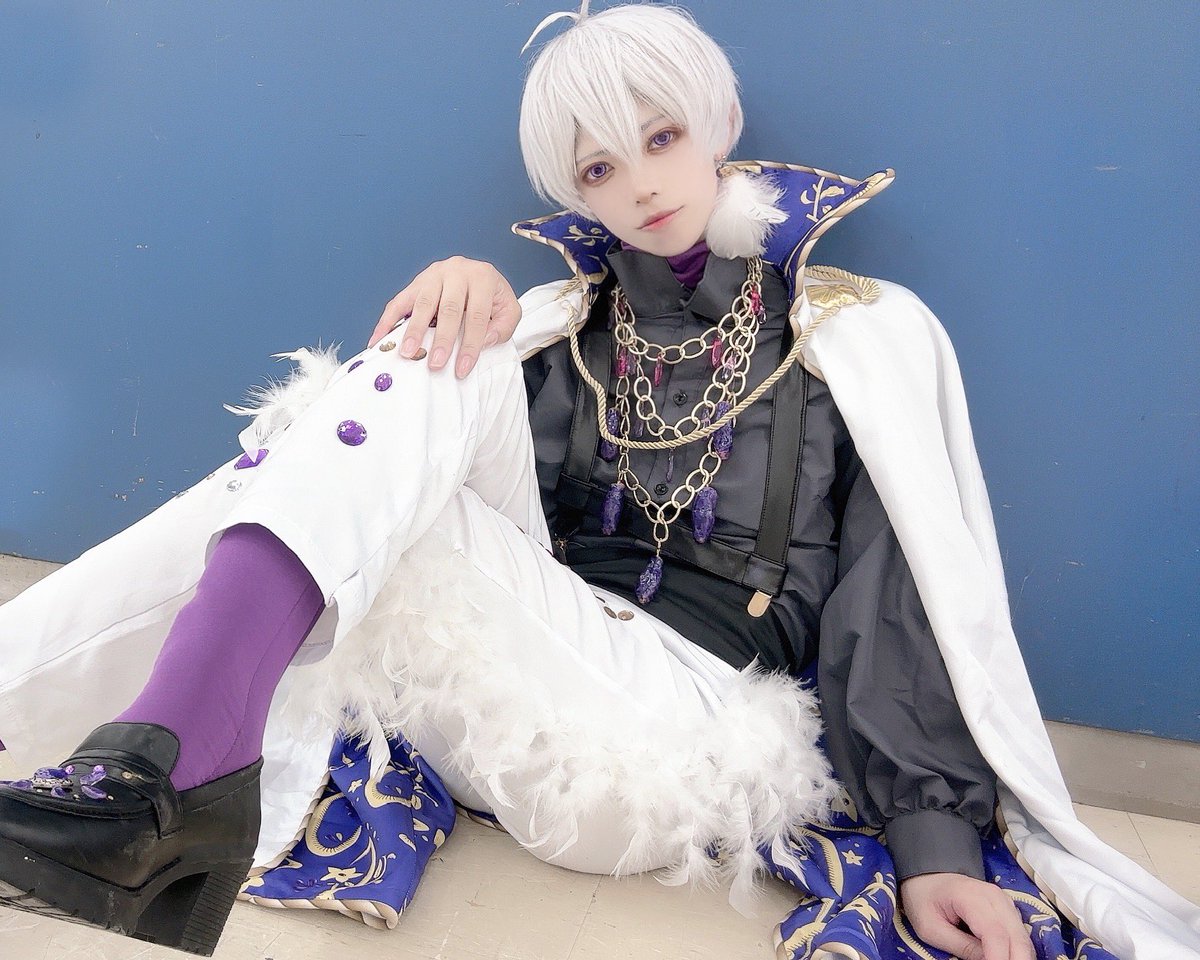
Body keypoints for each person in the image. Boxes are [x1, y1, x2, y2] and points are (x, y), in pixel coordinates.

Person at [0, 3, 1197, 959]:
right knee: (427, 356)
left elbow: (904, 599)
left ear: (718, 123)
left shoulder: (854, 337)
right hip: (514, 688)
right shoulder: (563, 328)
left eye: (663, 138)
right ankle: (159, 766)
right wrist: (469, 291)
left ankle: (170, 761)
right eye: (599, 166)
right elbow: (426, 485)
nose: (639, 185)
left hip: (680, 742)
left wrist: (933, 847)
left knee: (386, 395)